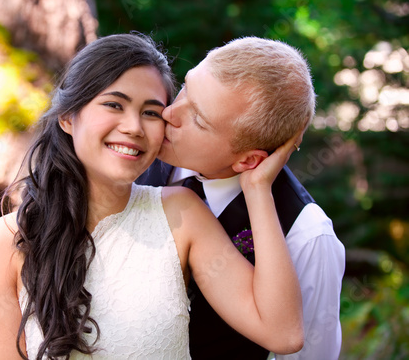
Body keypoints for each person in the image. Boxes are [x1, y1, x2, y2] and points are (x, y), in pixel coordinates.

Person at [0, 33, 305, 359]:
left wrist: (258, 187)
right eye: (114, 104)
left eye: (150, 112)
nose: (133, 127)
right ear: (68, 116)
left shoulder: (181, 214)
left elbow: (284, 333)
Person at [137, 36, 346, 360]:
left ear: (248, 161)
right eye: (187, 88)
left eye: (199, 119)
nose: (170, 114)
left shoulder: (307, 234)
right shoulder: (128, 154)